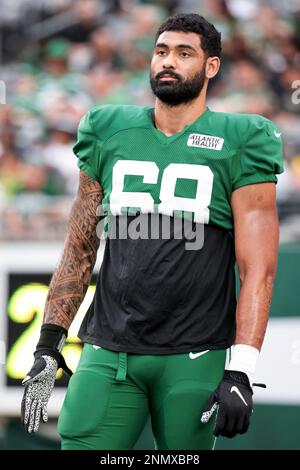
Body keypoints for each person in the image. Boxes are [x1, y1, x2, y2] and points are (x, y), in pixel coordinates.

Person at [21, 13, 283, 450]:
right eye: (161, 51)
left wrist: (242, 368)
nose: (168, 62)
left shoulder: (241, 138)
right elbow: (81, 244)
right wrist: (49, 345)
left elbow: (258, 269)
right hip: (108, 349)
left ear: (211, 66)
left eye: (184, 53)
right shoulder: (109, 130)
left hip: (194, 353)